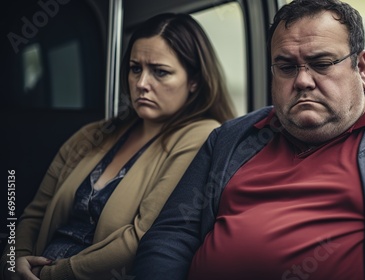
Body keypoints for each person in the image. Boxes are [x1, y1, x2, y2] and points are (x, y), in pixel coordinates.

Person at [133, 1, 365, 279]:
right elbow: (170, 235)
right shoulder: (231, 137)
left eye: (322, 63)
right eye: (287, 67)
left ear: (360, 66)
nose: (303, 80)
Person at [1, 12, 235, 280]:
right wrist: (14, 259)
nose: (141, 84)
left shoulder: (201, 136)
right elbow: (36, 211)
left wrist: (52, 274)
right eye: (135, 69)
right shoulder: (96, 133)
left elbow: (140, 237)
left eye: (160, 72)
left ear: (194, 81)